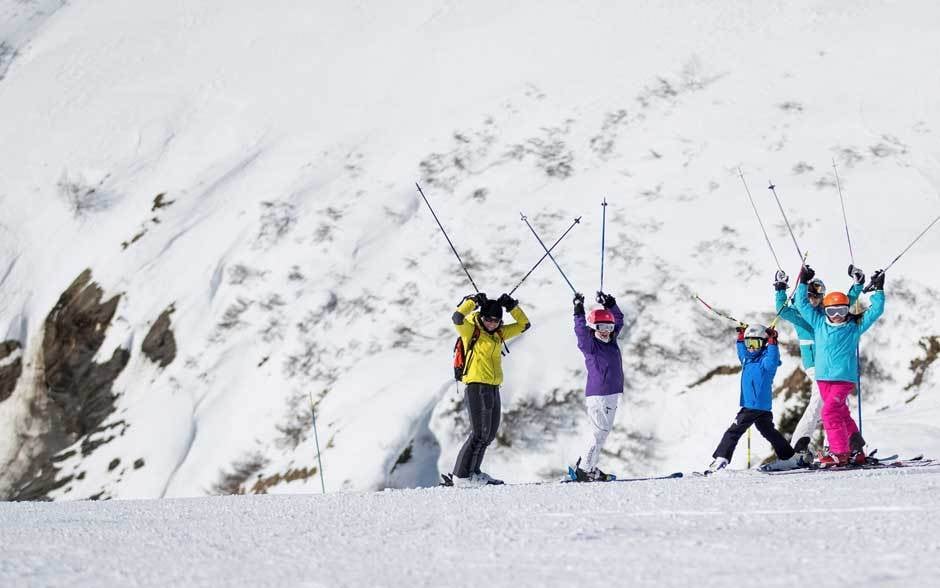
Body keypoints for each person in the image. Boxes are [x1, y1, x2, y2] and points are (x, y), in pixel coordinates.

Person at [794, 265, 885, 466]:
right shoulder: (818, 323)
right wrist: (802, 283)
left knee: (828, 413)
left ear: (847, 309)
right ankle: (856, 450)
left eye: (842, 310)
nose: (837, 315)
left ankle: (839, 453)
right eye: (832, 310)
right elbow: (802, 305)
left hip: (842, 379)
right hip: (823, 378)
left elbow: (876, 311)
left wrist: (878, 290)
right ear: (826, 310)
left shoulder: (854, 327)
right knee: (841, 413)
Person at [773, 265, 864, 461]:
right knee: (821, 403)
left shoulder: (826, 314)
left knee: (835, 406)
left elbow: (846, 304)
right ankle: (800, 445)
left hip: (832, 365)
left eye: (819, 295)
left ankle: (840, 446)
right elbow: (781, 309)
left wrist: (857, 286)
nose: (815, 299)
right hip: (815, 364)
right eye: (811, 295)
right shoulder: (800, 314)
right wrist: (780, 288)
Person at [447, 292, 531, 486]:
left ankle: (473, 473)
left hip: (493, 387)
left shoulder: (499, 334)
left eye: (496, 320)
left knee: (489, 434)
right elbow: (457, 317)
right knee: (478, 433)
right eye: (488, 319)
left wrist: (512, 307)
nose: (492, 323)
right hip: (476, 386)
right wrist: (473, 302)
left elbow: (524, 325)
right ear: (482, 318)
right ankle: (461, 476)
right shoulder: (471, 331)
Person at [708, 324, 805, 473]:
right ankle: (788, 456)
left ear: (764, 343)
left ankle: (721, 459)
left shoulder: (766, 363)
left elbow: (773, 359)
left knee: (733, 431)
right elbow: (741, 352)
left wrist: (773, 342)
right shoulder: (747, 359)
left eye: (756, 343)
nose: (751, 347)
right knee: (768, 431)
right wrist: (741, 339)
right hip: (761, 407)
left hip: (753, 406)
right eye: (749, 343)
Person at [569, 291, 625, 482]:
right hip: (600, 394)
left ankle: (588, 466)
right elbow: (580, 331)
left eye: (609, 327)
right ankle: (584, 469)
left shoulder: (611, 340)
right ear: (594, 327)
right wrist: (578, 310)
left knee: (602, 432)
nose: (606, 331)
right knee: (599, 432)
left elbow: (619, 319)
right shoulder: (591, 345)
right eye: (601, 326)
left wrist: (610, 304)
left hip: (611, 394)